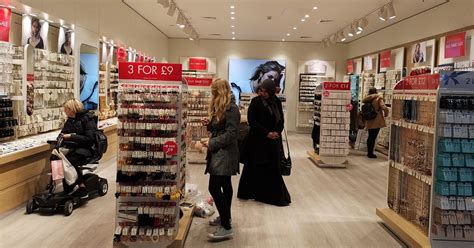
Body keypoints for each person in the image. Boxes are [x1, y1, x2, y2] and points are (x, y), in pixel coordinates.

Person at [237, 79, 291, 206]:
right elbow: (252, 121)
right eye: (262, 91)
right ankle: (252, 193)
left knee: (273, 168)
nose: (263, 94)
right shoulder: (256, 102)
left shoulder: (276, 102)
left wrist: (277, 132)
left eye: (266, 91)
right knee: (254, 167)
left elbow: (281, 121)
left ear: (271, 91)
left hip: (273, 142)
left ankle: (272, 196)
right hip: (258, 141)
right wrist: (267, 133)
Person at [201, 79, 240, 241]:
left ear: (221, 91)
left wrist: (211, 142)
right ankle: (226, 217)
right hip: (221, 152)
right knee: (225, 185)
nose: (212, 95)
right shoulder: (222, 107)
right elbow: (221, 128)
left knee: (214, 187)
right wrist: (209, 125)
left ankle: (226, 227)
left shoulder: (231, 108)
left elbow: (231, 134)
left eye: (214, 91)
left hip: (225, 154)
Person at [61, 99, 98, 199]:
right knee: (57, 157)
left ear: (71, 109)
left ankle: (81, 186)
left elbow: (89, 139)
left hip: (87, 149)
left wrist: (72, 137)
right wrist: (60, 137)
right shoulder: (69, 120)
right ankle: (69, 184)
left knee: (71, 159)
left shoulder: (87, 119)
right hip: (73, 147)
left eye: (66, 109)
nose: (64, 111)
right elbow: (63, 133)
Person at [362, 88, 389, 159]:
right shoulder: (378, 98)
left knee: (370, 136)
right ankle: (371, 154)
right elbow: (384, 107)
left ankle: (369, 152)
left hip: (369, 120)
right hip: (377, 120)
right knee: (373, 137)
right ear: (376, 92)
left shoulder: (367, 99)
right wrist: (386, 114)